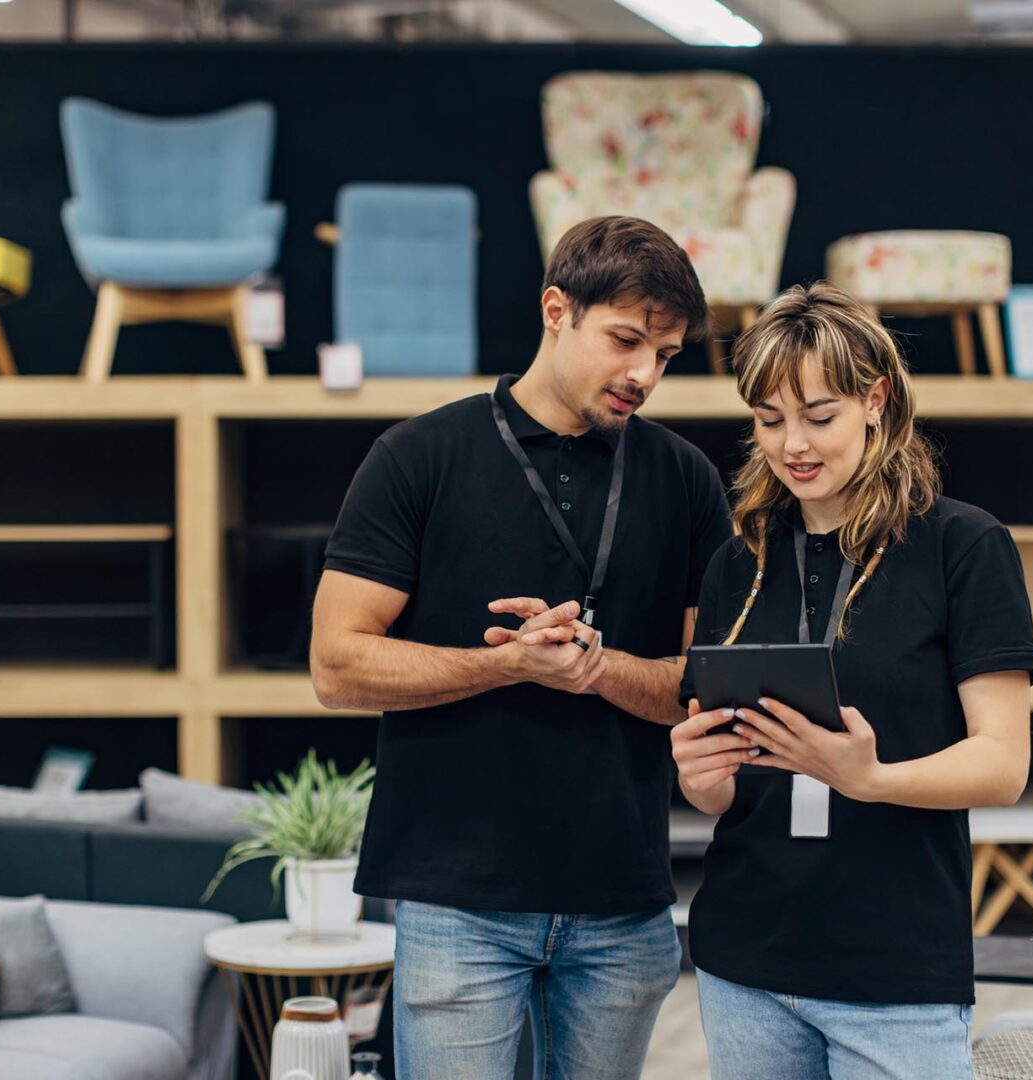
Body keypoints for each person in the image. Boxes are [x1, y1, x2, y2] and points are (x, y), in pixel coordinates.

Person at [310, 215, 732, 1079]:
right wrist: (505, 664)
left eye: (666, 354)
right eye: (624, 341)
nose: (644, 374)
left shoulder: (685, 477)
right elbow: (337, 665)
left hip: (622, 902)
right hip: (454, 899)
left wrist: (593, 669)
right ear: (554, 309)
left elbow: (705, 685)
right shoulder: (419, 455)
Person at [673, 282, 1033, 1080]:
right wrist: (700, 780)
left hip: (895, 968)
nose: (791, 444)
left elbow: (1003, 764)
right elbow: (729, 789)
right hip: (745, 959)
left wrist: (869, 778)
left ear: (874, 400)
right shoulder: (739, 560)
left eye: (819, 415)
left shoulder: (962, 547)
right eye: (769, 421)